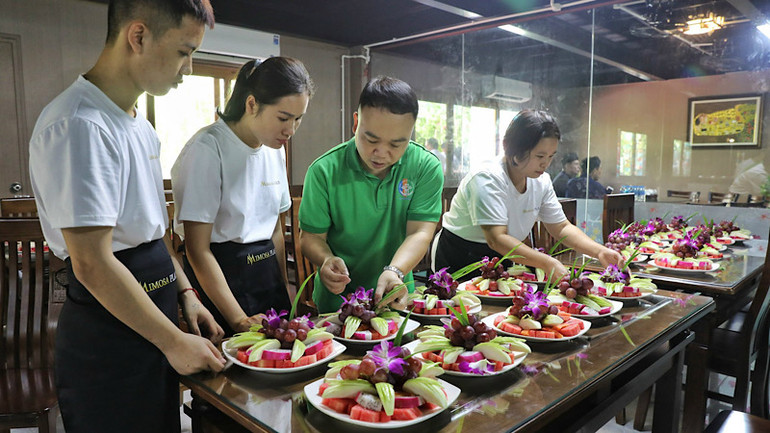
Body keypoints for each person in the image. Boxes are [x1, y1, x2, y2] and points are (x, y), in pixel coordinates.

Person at [28, 1, 226, 431]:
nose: (188, 68)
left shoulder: (139, 126)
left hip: (152, 314)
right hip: (109, 332)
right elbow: (93, 263)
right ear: (138, 37)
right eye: (183, 51)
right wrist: (173, 340)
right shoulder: (79, 124)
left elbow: (153, 234)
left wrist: (186, 293)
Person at [171, 57, 313, 336]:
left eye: (298, 119)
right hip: (222, 279)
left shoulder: (275, 148)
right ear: (251, 104)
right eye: (283, 118)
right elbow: (197, 250)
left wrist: (284, 292)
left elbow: (275, 229)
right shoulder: (208, 148)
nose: (291, 130)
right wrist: (237, 319)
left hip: (266, 273)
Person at [299, 76, 444, 313]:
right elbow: (310, 237)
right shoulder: (324, 170)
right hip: (338, 301)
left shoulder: (425, 167)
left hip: (395, 295)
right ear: (356, 123)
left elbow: (420, 232)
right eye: (371, 139)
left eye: (396, 144)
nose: (381, 153)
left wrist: (395, 270)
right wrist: (325, 259)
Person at [433, 110, 623, 280]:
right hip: (461, 256)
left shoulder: (541, 180)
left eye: (551, 156)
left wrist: (599, 252)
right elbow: (496, 239)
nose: (545, 164)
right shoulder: (488, 177)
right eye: (540, 156)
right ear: (513, 149)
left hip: (503, 255)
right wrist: (547, 262)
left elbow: (561, 227)